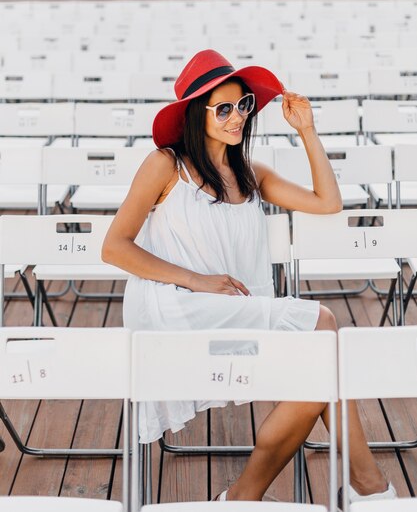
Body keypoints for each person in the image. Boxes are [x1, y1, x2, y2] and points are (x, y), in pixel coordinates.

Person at [102, 49, 396, 506]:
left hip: (226, 305)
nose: (237, 116)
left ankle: (246, 496)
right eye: (223, 108)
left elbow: (328, 202)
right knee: (322, 328)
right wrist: (195, 280)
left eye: (243, 106)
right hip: (173, 306)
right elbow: (114, 246)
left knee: (319, 360)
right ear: (195, 115)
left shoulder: (250, 173)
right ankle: (369, 487)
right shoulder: (164, 165)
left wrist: (308, 131)